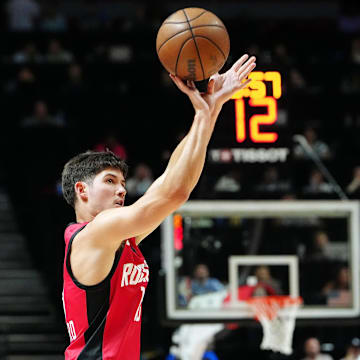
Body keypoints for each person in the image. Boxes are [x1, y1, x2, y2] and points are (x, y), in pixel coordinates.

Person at [60, 54, 256, 359]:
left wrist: (211, 109)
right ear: (81, 190)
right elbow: (173, 192)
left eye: (123, 183)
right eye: (110, 181)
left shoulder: (118, 239)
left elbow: (174, 183)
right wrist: (205, 115)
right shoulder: (95, 232)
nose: (122, 190)